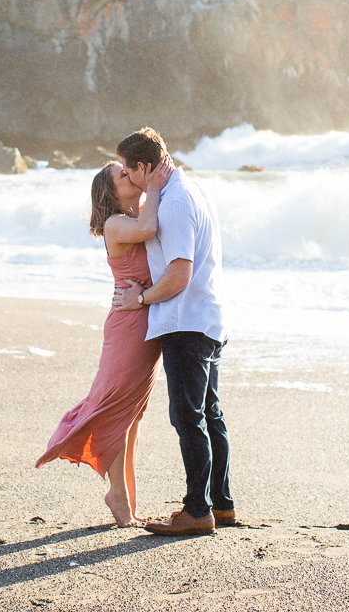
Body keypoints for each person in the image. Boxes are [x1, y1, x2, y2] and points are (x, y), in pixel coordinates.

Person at [35, 155, 174, 527]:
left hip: (146, 321)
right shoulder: (117, 224)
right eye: (122, 175)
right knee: (116, 410)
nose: (129, 175)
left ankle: (127, 496)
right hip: (128, 326)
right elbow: (149, 229)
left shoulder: (134, 214)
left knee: (134, 414)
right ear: (111, 194)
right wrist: (156, 185)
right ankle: (118, 497)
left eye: (128, 170)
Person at [112, 127, 234, 536]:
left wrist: (142, 300)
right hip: (207, 317)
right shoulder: (193, 189)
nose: (127, 180)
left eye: (129, 173)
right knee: (210, 415)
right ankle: (222, 504)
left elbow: (179, 274)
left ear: (146, 167)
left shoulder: (175, 203)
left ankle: (197, 511)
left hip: (186, 321)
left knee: (189, 418)